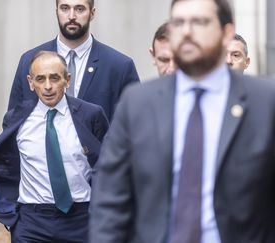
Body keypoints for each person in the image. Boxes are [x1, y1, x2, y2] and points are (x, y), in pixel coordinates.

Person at [90, 0, 275, 243]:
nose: (187, 31)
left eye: (200, 22)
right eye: (178, 23)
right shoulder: (137, 104)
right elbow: (110, 200)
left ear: (226, 32)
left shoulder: (265, 102)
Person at [0, 51, 109, 243]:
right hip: (31, 222)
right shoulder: (16, 119)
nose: (48, 86)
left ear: (67, 80)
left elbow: (107, 166)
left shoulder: (91, 115)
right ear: (31, 82)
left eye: (54, 78)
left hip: (81, 220)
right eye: (40, 79)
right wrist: (12, 217)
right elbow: (6, 166)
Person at [7, 0, 140, 121]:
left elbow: (134, 126)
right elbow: (13, 122)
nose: (71, 16)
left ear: (92, 13)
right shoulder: (29, 62)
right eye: (65, 8)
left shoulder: (119, 66)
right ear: (56, 12)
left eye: (79, 9)